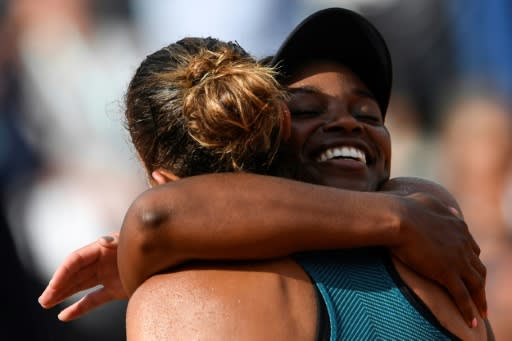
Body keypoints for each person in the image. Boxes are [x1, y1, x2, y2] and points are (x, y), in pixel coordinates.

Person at [40, 8, 491, 340]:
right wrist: (399, 221)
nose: (349, 122)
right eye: (308, 110)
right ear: (273, 136)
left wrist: (142, 260)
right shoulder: (420, 220)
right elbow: (158, 219)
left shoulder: (425, 212)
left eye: (371, 113)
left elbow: (155, 218)